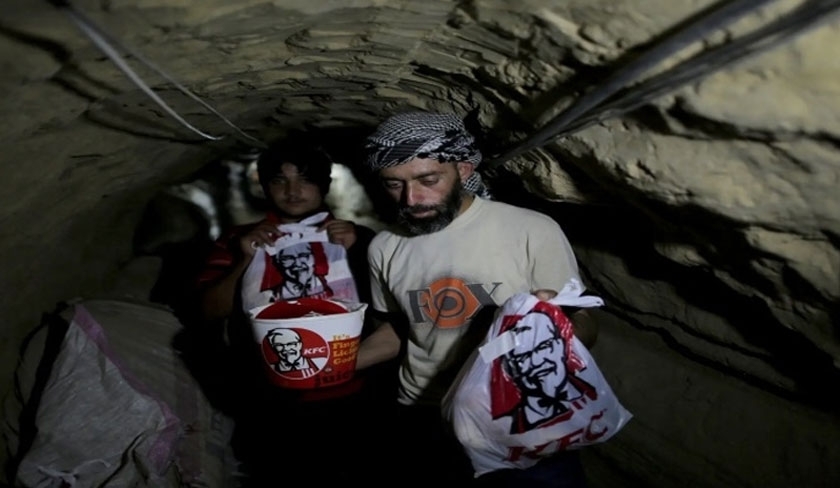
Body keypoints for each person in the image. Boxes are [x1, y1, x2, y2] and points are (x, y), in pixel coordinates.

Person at [354, 111, 599, 487]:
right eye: (393, 185)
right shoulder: (385, 247)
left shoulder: (530, 229)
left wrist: (554, 327)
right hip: (426, 414)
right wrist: (331, 364)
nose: (412, 198)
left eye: (428, 180)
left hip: (518, 416)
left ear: (464, 169)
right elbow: (398, 332)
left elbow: (587, 325)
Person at [192, 135, 394, 485]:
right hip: (268, 396)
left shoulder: (360, 238)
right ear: (264, 186)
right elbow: (208, 313)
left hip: (352, 393)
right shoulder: (238, 240)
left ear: (325, 185)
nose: (293, 190)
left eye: (305, 179)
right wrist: (244, 259)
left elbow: (396, 315)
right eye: (280, 180)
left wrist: (360, 251)